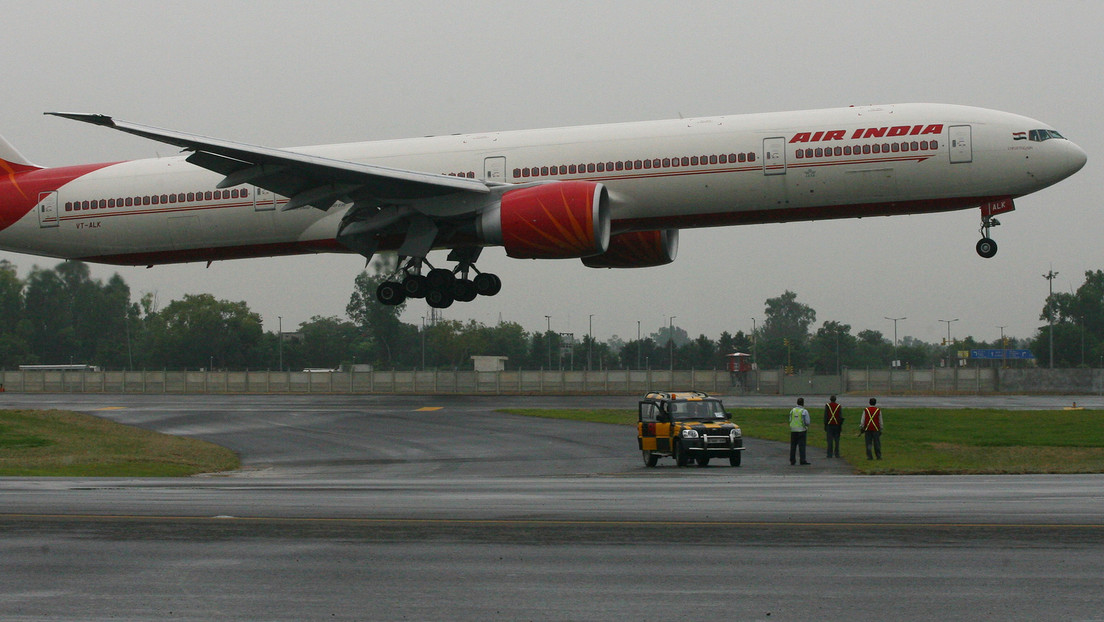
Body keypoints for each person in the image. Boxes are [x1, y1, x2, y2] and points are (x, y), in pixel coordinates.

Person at [788, 397, 811, 465]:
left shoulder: (792, 410)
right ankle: (802, 460)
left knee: (793, 446)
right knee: (802, 446)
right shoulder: (804, 411)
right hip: (801, 430)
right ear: (803, 403)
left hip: (793, 430)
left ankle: (792, 460)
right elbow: (807, 422)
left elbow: (790, 419)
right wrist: (806, 426)